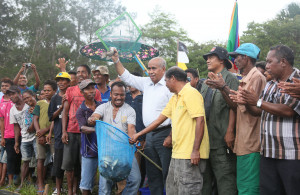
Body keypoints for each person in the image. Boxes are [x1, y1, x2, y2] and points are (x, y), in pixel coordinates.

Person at [131, 67, 210, 194]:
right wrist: (138, 134)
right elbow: (159, 120)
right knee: (172, 189)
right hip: (177, 152)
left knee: (188, 190)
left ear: (173, 79)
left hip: (190, 154)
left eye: (166, 81)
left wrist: (195, 150)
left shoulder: (191, 93)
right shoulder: (175, 97)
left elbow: (200, 120)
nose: (165, 85)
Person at [235, 45, 300, 195]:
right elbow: (259, 111)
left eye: (270, 62)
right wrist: (248, 101)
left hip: (290, 155)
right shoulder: (270, 84)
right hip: (268, 152)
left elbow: (288, 111)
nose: (267, 66)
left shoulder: (296, 81)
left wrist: (257, 101)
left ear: (283, 62)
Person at [112, 49, 172, 195]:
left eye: (154, 68)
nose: (150, 71)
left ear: (163, 69)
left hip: (165, 133)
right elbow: (126, 76)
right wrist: (116, 60)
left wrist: (171, 135)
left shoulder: (169, 86)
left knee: (167, 172)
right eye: (149, 68)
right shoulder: (146, 83)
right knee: (152, 174)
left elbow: (175, 113)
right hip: (149, 134)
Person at [88, 81, 141, 195]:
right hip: (107, 151)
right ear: (111, 94)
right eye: (116, 94)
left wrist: (133, 138)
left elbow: (131, 128)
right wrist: (92, 119)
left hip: (125, 150)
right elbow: (95, 116)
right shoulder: (103, 107)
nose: (119, 97)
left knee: (135, 179)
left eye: (122, 95)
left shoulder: (130, 110)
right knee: (105, 184)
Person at [227, 43, 266, 194]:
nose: (234, 60)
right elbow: (236, 105)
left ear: (247, 58)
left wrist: (245, 102)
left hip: (251, 141)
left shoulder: (256, 78)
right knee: (244, 185)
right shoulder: (246, 78)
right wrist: (223, 88)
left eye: (237, 56)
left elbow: (257, 110)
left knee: (249, 188)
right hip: (244, 140)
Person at [201, 46, 239, 195]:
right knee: (205, 183)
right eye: (207, 58)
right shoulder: (207, 81)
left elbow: (234, 106)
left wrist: (230, 131)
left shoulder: (229, 78)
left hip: (222, 140)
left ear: (222, 60)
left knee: (225, 182)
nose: (208, 60)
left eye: (211, 57)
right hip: (206, 140)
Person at [61, 65, 101, 195]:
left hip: (90, 135)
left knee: (85, 163)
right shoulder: (70, 90)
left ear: (88, 74)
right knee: (69, 163)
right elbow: (65, 112)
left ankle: (82, 188)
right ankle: (71, 191)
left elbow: (100, 111)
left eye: (83, 72)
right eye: (78, 72)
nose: (80, 74)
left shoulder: (96, 91)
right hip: (72, 130)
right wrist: (64, 131)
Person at [47, 72, 71, 195]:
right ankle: (58, 189)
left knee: (71, 165)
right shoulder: (55, 98)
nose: (61, 82)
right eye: (59, 80)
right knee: (58, 164)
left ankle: (72, 189)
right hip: (58, 135)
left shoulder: (72, 96)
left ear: (69, 82)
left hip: (72, 134)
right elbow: (51, 117)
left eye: (63, 80)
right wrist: (61, 107)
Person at [75, 79, 100, 195]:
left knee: (106, 181)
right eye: (88, 89)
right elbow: (82, 128)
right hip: (89, 149)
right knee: (86, 184)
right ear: (82, 92)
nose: (91, 91)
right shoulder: (81, 111)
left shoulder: (102, 106)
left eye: (93, 88)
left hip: (103, 148)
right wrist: (98, 130)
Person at [33, 80, 57, 194]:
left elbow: (54, 119)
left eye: (49, 90)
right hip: (40, 136)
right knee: (40, 159)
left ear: (54, 91)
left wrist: (45, 130)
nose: (46, 92)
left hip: (53, 136)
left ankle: (57, 185)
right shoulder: (39, 103)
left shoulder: (57, 102)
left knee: (55, 160)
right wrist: (39, 132)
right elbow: (35, 118)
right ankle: (40, 184)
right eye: (45, 90)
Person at [12, 90, 37, 191]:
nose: (27, 100)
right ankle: (22, 184)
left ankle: (38, 183)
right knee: (25, 161)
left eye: (28, 97)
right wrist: (17, 142)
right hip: (25, 138)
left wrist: (32, 126)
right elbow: (18, 125)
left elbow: (40, 118)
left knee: (38, 160)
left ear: (33, 95)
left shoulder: (38, 105)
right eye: (25, 98)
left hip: (35, 137)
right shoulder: (25, 108)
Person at [125, 72, 146, 188]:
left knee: (138, 171)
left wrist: (145, 138)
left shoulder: (145, 97)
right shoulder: (124, 97)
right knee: (124, 171)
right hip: (124, 139)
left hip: (139, 140)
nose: (131, 84)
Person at [6, 86, 23, 187]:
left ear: (19, 93)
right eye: (9, 95)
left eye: (13, 94)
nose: (11, 96)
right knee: (11, 158)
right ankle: (10, 182)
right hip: (14, 136)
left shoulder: (27, 105)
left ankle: (25, 180)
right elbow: (16, 126)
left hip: (28, 136)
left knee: (26, 159)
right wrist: (16, 142)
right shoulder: (12, 109)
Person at [0, 78, 14, 186]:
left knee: (9, 158)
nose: (4, 87)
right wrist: (3, 136)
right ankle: (2, 180)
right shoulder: (1, 101)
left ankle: (8, 181)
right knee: (3, 158)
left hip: (15, 134)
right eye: (3, 86)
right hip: (5, 134)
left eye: (6, 85)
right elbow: (1, 120)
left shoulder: (14, 99)